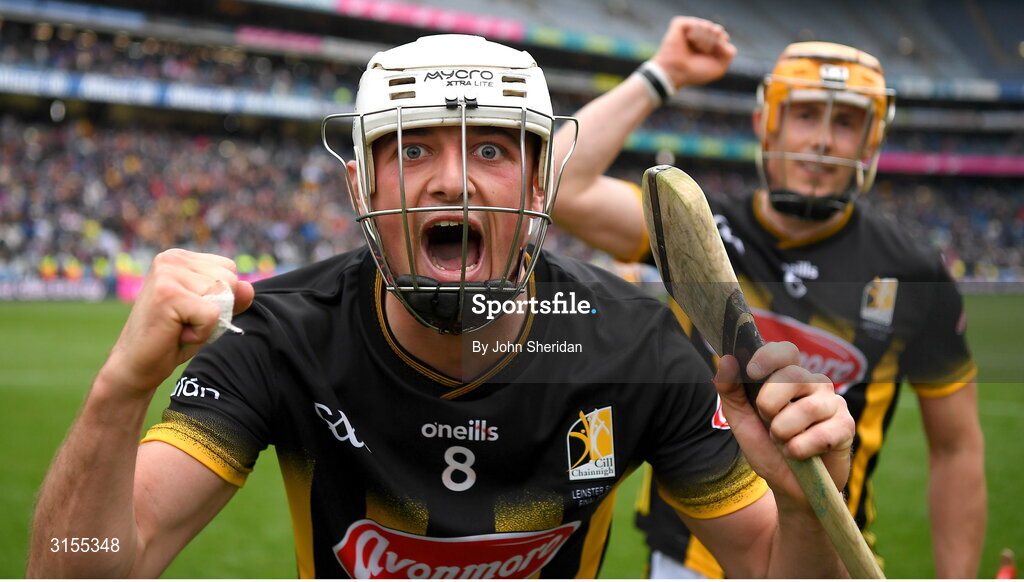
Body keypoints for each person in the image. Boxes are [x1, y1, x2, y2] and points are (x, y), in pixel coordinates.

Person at [27, 34, 856, 579]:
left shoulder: (639, 347)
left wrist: (802, 508)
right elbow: (80, 571)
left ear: (541, 184)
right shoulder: (276, 336)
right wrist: (116, 397)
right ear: (360, 182)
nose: (452, 180)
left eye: (491, 148)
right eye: (412, 146)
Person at [550, 17, 986, 579]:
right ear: (767, 122)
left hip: (824, 551)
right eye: (805, 113)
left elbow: (957, 449)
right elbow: (558, 185)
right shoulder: (699, 227)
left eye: (847, 122)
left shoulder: (912, 270)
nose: (823, 138)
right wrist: (665, 74)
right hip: (693, 547)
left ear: (873, 139)